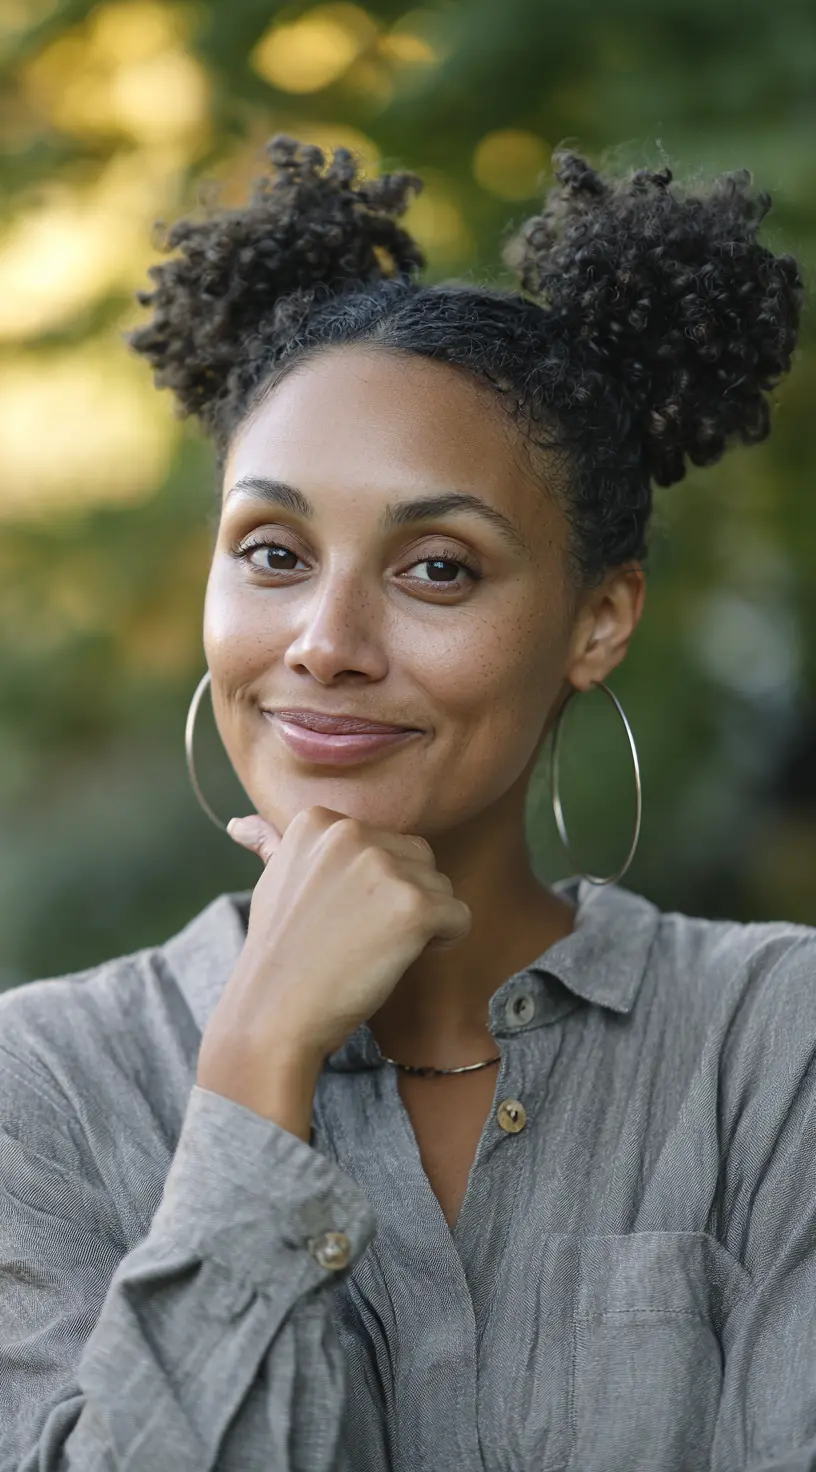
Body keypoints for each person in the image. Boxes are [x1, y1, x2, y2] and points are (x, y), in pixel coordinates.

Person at [0, 134, 808, 1472]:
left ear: (598, 618)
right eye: (273, 552)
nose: (323, 639)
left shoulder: (774, 1048)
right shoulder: (40, 1088)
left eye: (437, 568)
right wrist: (258, 1062)